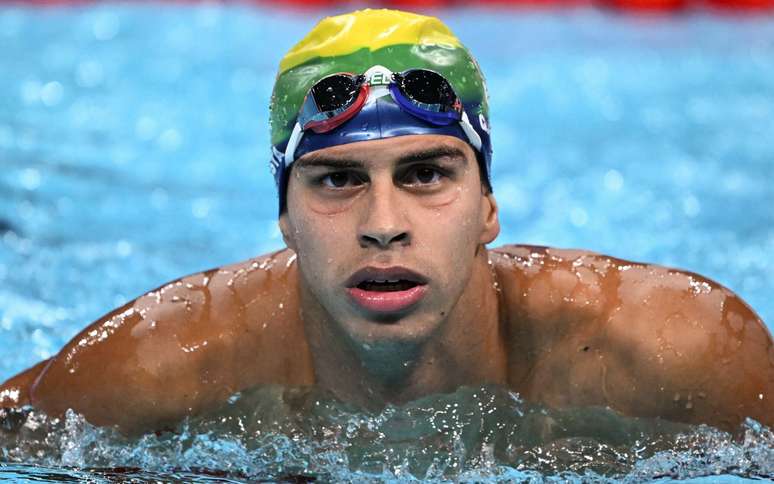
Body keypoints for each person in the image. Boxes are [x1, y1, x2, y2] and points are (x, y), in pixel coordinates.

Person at [1, 9, 772, 435]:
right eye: (337, 179)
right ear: (285, 221)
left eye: (427, 174)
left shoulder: (680, 355)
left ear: (488, 208)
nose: (383, 225)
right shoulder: (157, 370)